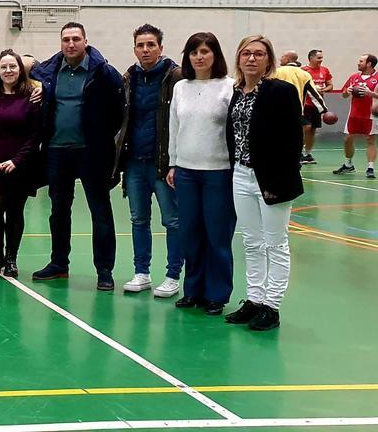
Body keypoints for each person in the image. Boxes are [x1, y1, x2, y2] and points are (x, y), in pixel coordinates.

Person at [30, 22, 125, 290]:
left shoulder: (104, 73)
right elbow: (19, 66)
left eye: (75, 39)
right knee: (59, 211)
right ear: (60, 43)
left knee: (100, 211)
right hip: (57, 152)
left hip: (92, 154)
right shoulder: (48, 71)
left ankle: (104, 270)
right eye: (66, 39)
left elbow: (118, 112)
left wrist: (100, 137)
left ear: (85, 41)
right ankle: (59, 263)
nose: (71, 44)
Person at [223, 35, 303, 331]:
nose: (252, 59)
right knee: (251, 242)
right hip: (241, 175)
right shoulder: (236, 91)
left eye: (259, 54)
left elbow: (293, 140)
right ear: (239, 58)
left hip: (272, 178)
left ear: (269, 60)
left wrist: (278, 181)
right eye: (246, 53)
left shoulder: (280, 91)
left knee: (275, 243)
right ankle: (254, 300)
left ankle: (272, 306)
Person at [167, 32, 236, 314]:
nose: (199, 57)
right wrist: (173, 162)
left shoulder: (228, 87)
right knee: (190, 234)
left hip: (219, 173)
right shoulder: (180, 87)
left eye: (205, 51)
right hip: (185, 172)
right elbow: (173, 126)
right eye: (194, 52)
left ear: (215, 55)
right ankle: (192, 290)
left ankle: (217, 294)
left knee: (217, 237)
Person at [114, 24, 182, 297]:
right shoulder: (128, 78)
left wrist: (175, 161)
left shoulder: (175, 77)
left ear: (160, 48)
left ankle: (173, 274)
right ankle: (141, 272)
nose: (145, 50)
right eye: (140, 45)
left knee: (172, 221)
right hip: (134, 164)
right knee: (138, 219)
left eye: (151, 45)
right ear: (134, 49)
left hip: (163, 164)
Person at [0, 50, 41, 278]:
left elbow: (34, 134)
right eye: (4, 67)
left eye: (13, 66)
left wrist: (17, 160)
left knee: (14, 212)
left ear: (20, 70)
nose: (8, 71)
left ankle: (11, 258)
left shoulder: (31, 97)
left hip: (18, 167)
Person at [274, 51, 328, 167]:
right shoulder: (305, 74)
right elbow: (314, 94)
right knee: (294, 138)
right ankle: (295, 162)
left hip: (277, 112)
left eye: (282, 56)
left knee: (278, 138)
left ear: (288, 59)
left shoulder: (276, 72)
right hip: (296, 113)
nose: (280, 59)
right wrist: (323, 110)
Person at [333, 54, 378, 178]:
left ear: (369, 64)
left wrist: (370, 93)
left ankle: (370, 168)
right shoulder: (354, 77)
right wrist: (346, 92)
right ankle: (348, 165)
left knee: (370, 139)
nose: (358, 63)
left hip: (370, 114)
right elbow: (343, 94)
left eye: (361, 61)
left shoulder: (377, 78)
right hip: (354, 113)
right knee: (348, 139)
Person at [301, 49, 333, 163]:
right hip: (305, 105)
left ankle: (307, 154)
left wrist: (324, 89)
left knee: (313, 130)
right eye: (319, 58)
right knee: (306, 128)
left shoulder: (325, 70)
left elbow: (330, 85)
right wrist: (313, 88)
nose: (321, 60)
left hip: (317, 105)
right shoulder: (303, 71)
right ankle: (298, 151)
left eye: (321, 58)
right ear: (311, 58)